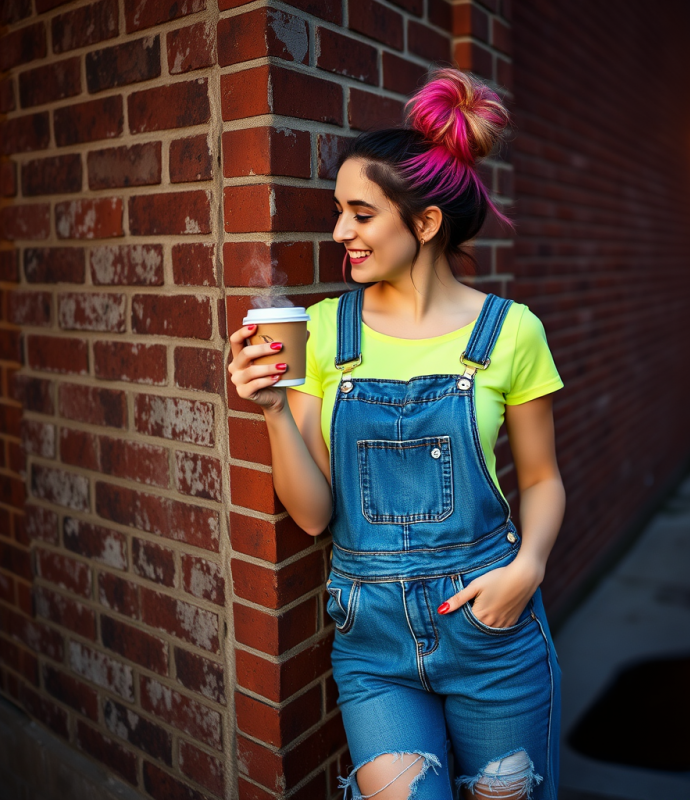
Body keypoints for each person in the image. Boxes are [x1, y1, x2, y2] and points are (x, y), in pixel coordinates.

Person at [228, 68, 565, 800]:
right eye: (338, 211)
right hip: (371, 644)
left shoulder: (510, 333)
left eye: (360, 212)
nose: (340, 231)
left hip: (491, 631)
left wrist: (528, 567)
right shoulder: (323, 331)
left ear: (425, 223)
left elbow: (540, 477)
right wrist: (273, 410)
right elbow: (315, 514)